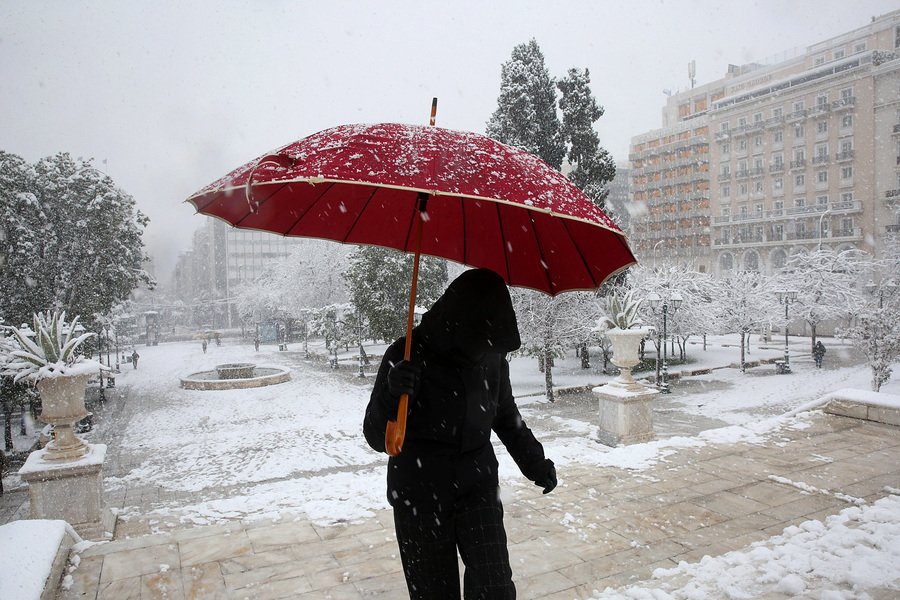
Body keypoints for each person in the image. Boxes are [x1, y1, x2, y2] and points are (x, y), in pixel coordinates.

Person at [364, 268, 557, 599]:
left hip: (477, 486)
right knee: (434, 593)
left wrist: (535, 463)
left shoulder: (491, 356)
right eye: (482, 343)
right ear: (460, 326)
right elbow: (374, 435)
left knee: (495, 587)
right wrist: (392, 393)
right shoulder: (406, 355)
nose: (487, 352)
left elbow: (506, 415)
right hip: (419, 495)